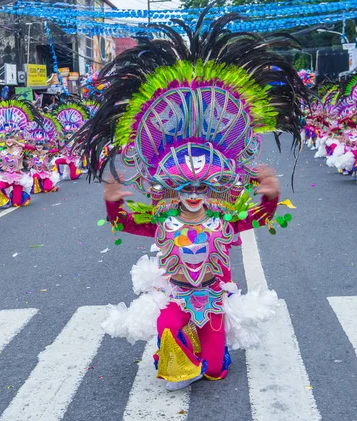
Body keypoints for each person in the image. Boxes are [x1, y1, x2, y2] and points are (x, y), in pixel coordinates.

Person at [77, 9, 306, 391]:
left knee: (215, 369)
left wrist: (271, 196)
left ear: (212, 189)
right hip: (178, 298)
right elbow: (122, 224)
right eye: (187, 188)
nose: (195, 195)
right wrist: (112, 201)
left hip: (213, 299)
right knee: (169, 331)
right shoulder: (164, 222)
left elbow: (259, 219)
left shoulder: (223, 221)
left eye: (202, 188)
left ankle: (211, 356)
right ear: (174, 189)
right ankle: (175, 360)